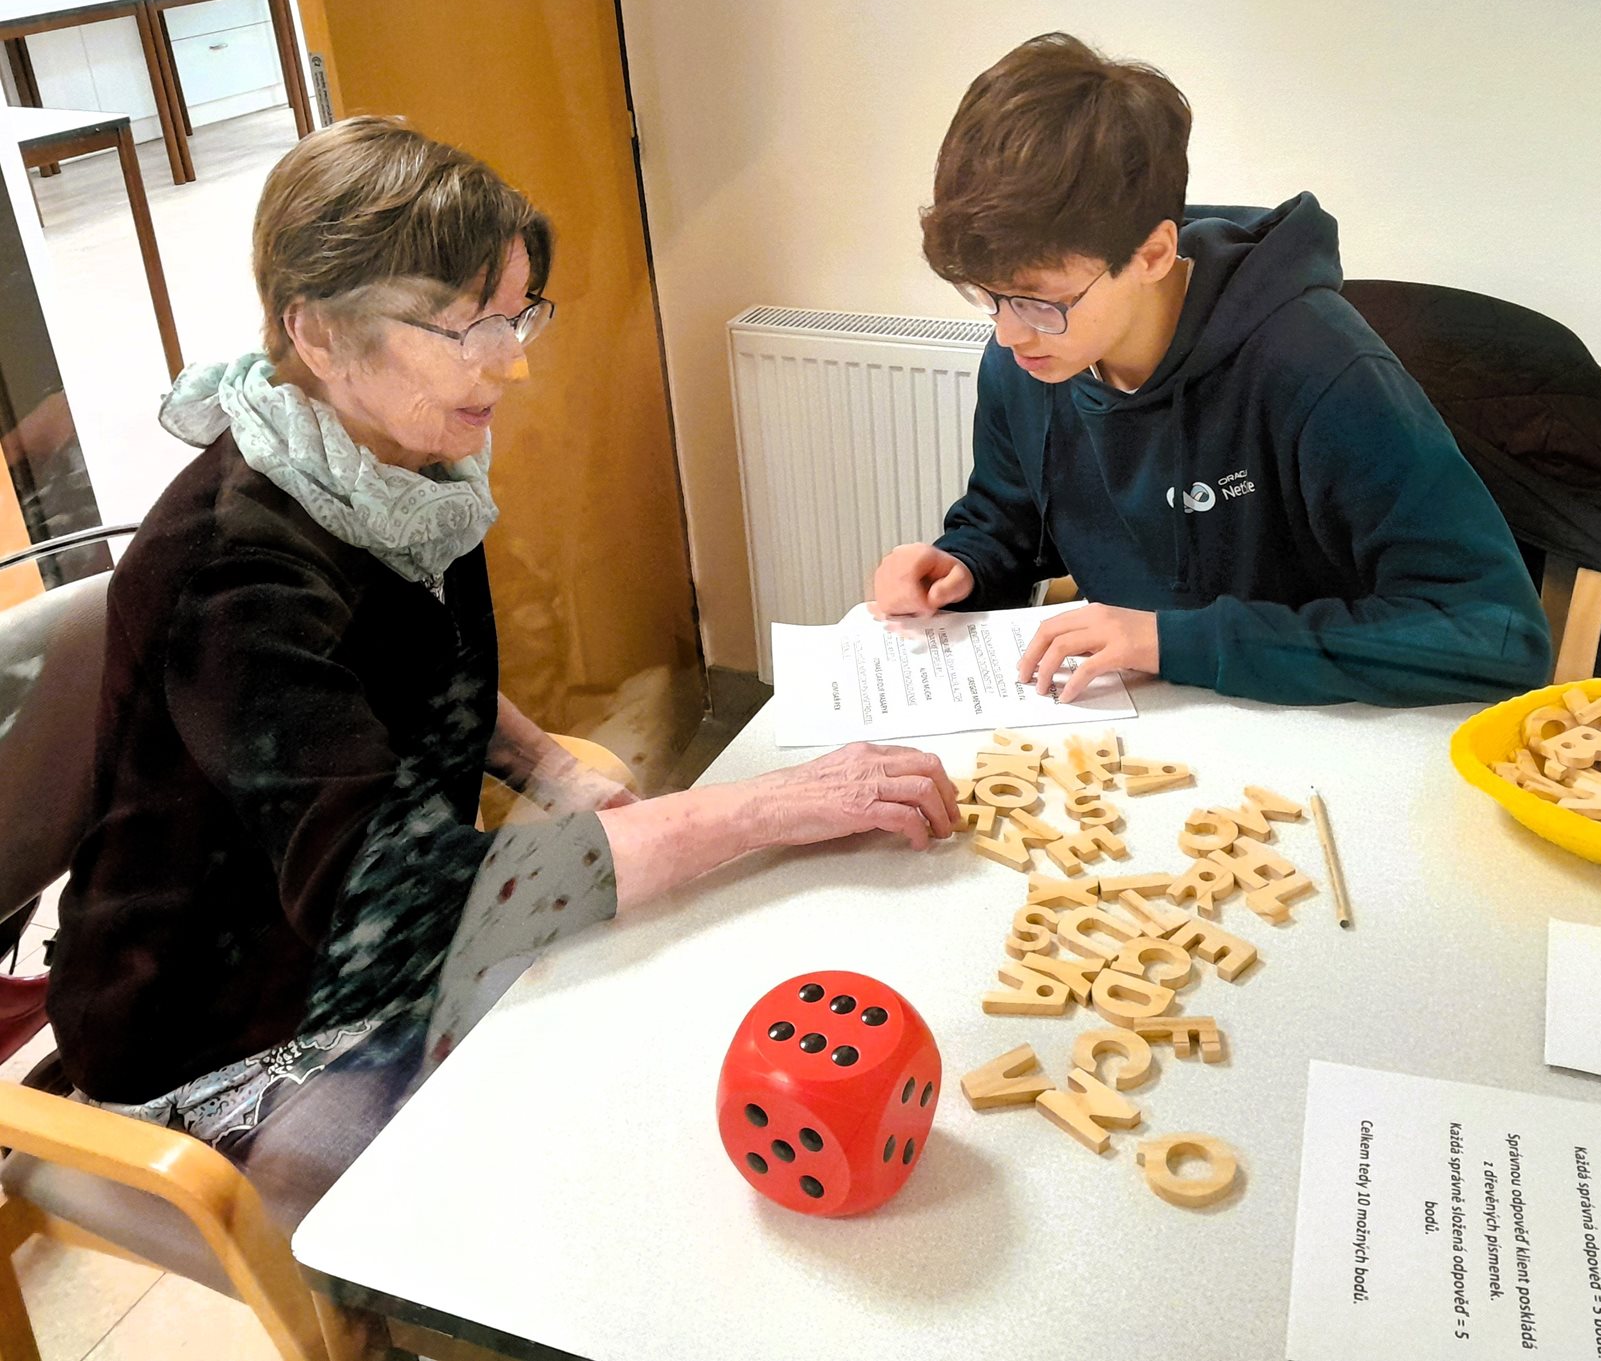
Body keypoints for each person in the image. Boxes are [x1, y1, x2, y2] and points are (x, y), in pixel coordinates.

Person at [46, 116, 958, 1234]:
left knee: (678, 1002)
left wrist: (545, 768)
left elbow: (406, 667)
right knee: (580, 1173)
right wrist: (759, 808)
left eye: (518, 315)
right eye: (465, 325)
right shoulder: (233, 573)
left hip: (366, 925)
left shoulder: (402, 465)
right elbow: (400, 903)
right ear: (317, 332)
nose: (511, 361)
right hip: (224, 1024)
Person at [869, 33, 1552, 707]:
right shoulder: (1030, 356)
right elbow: (1008, 521)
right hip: (1139, 714)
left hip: (1310, 720)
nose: (1007, 332)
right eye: (983, 294)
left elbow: (1495, 632)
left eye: (1039, 300)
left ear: (1152, 255)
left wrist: (1173, 641)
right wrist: (965, 563)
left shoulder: (1318, 367)